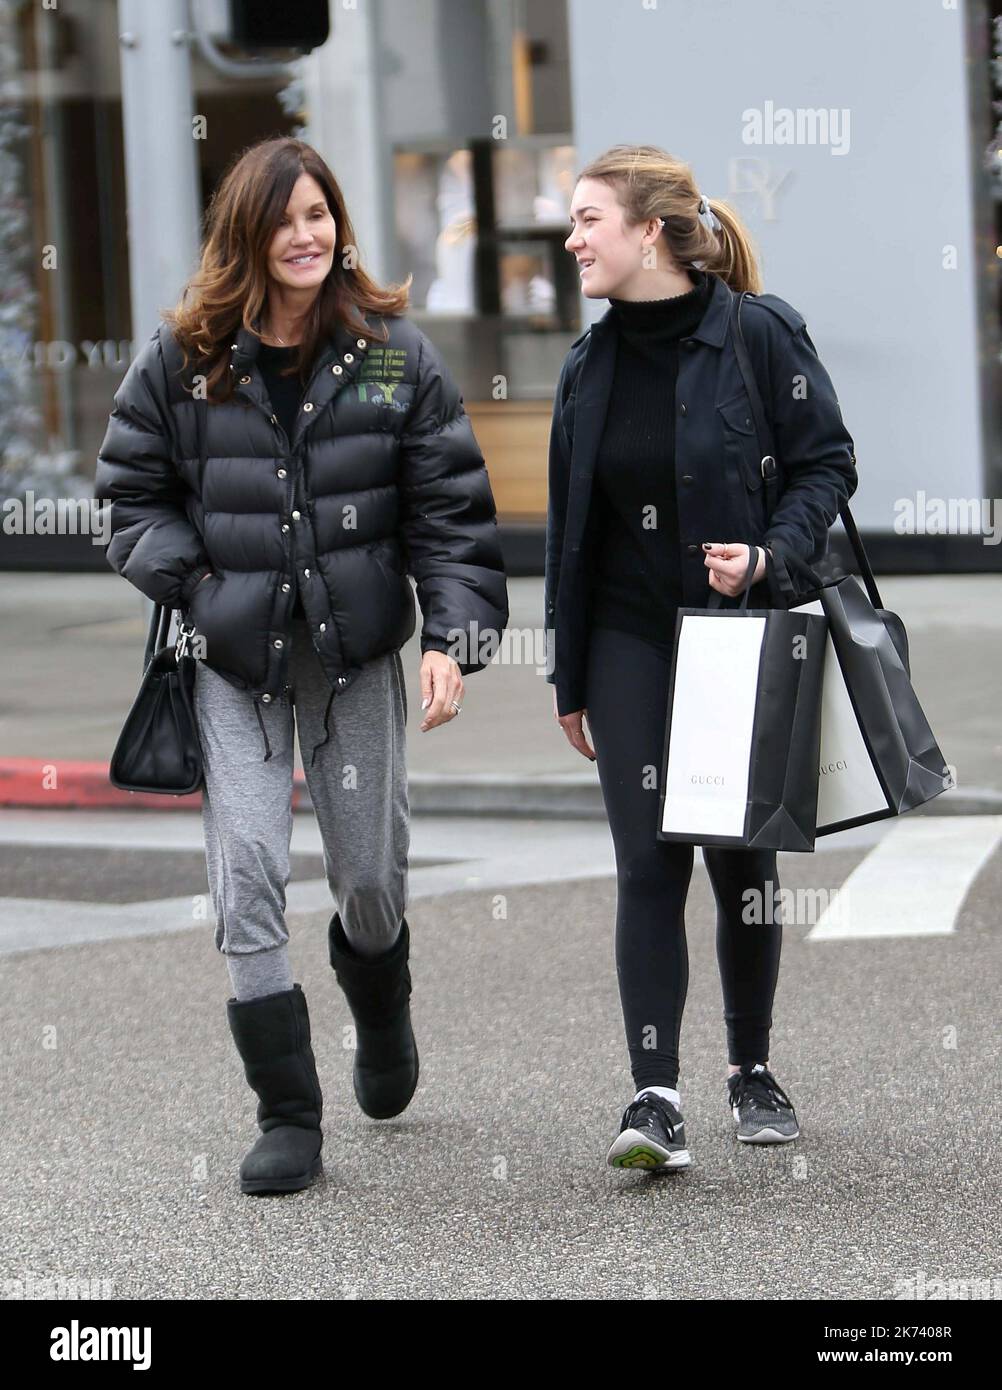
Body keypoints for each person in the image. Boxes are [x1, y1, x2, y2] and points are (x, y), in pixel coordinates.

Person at [95, 137, 508, 1195]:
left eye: (318, 214)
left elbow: (450, 511)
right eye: (283, 220)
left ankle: (382, 1001)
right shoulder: (187, 356)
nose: (305, 236)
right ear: (247, 235)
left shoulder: (388, 353)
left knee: (367, 880)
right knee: (245, 868)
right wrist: (196, 588)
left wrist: (453, 639)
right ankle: (288, 1110)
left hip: (354, 656)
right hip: (233, 658)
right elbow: (128, 496)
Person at [545, 145, 856, 1170]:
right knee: (647, 861)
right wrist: (570, 671)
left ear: (650, 232)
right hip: (630, 640)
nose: (572, 237)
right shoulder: (586, 369)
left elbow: (827, 462)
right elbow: (569, 535)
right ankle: (654, 1097)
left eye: (589, 218)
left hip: (738, 634)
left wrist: (770, 554)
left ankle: (750, 1068)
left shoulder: (759, 335)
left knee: (740, 862)